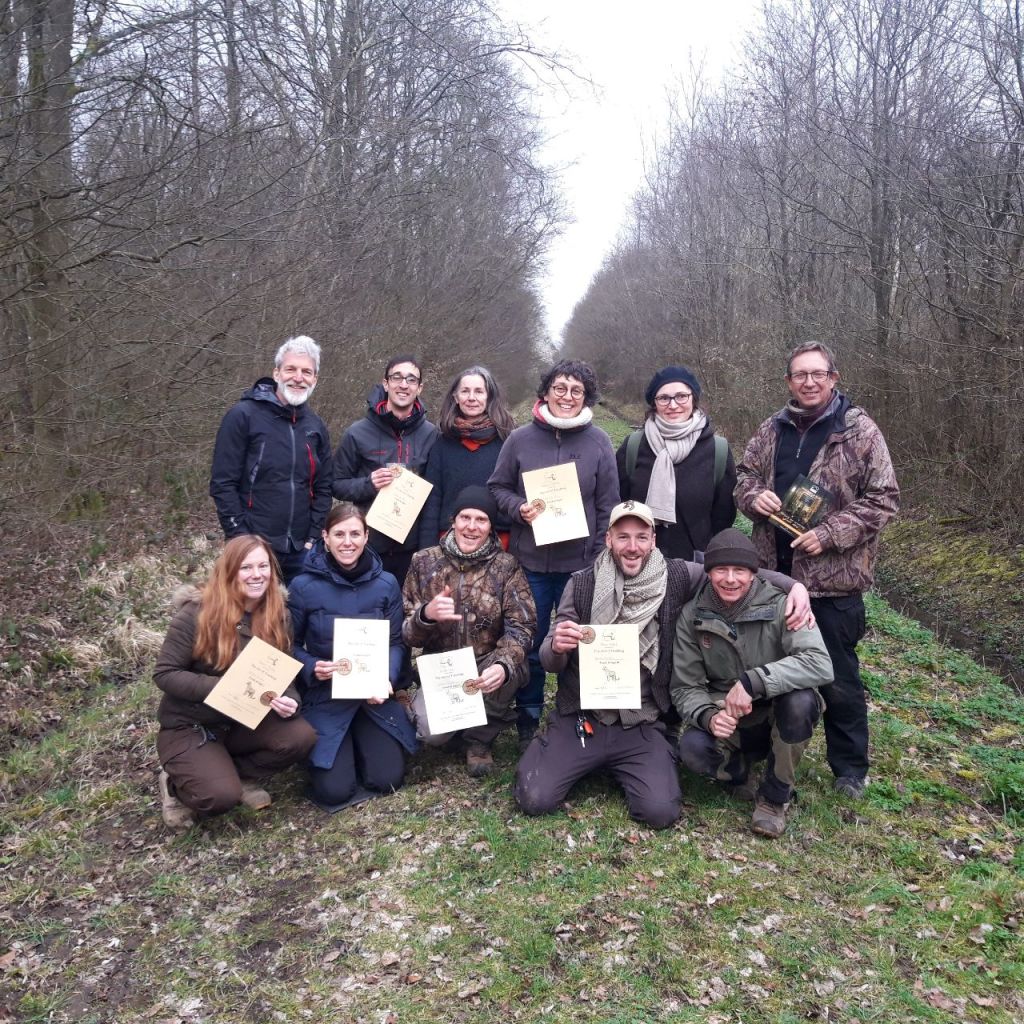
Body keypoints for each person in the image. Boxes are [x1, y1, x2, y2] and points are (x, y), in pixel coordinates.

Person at [514, 502, 814, 830]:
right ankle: (559, 750)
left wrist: (793, 586)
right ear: (608, 539)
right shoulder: (582, 583)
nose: (632, 546)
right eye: (623, 537)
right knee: (535, 798)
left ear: (653, 540)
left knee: (660, 813)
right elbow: (549, 661)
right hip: (585, 716)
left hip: (641, 720)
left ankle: (632, 761)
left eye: (641, 537)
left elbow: (729, 568)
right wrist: (557, 645)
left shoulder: (677, 575)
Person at [735, 341, 899, 799]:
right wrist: (753, 498)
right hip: (772, 578)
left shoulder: (859, 431)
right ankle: (764, 752)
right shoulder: (772, 429)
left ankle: (849, 769)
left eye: (817, 374)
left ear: (833, 378)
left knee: (838, 677)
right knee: (767, 668)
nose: (809, 382)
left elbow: (884, 499)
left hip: (832, 584)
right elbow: (744, 476)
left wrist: (830, 535)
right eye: (800, 374)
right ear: (789, 381)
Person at [488, 359, 619, 748]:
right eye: (559, 388)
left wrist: (597, 559)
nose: (567, 396)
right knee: (528, 640)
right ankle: (527, 718)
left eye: (576, 390)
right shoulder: (520, 439)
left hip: (578, 567)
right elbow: (497, 488)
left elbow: (607, 507)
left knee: (573, 643)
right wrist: (518, 509)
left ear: (586, 398)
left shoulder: (599, 443)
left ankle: (571, 713)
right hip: (529, 563)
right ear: (545, 392)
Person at [672, 529, 834, 837]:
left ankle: (774, 796)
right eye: (721, 570)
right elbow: (684, 686)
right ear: (709, 573)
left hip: (778, 707)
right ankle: (739, 773)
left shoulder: (783, 605)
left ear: (752, 574)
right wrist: (708, 715)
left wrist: (755, 681)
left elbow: (819, 662)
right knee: (692, 748)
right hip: (733, 716)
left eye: (740, 571)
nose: (730, 579)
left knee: (800, 702)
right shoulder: (692, 615)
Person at [154, 535, 317, 831]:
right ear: (229, 571)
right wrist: (222, 688)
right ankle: (175, 786)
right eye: (246, 567)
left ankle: (236, 774)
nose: (257, 575)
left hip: (244, 721)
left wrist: (290, 699)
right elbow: (165, 673)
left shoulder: (279, 614)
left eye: (263, 566)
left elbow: (284, 669)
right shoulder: (196, 614)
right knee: (218, 797)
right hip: (192, 725)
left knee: (300, 737)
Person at [288, 503, 416, 809]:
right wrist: (311, 667)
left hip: (372, 697)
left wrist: (385, 677)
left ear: (366, 536)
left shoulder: (385, 583)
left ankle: (362, 741)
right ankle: (340, 750)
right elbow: (287, 644)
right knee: (333, 791)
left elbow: (396, 641)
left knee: (388, 780)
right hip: (327, 695)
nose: (348, 542)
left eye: (355, 534)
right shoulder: (303, 586)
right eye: (339, 534)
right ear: (325, 537)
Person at [402, 486, 536, 775]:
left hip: (484, 663)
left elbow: (522, 626)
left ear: (490, 527)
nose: (472, 527)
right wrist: (425, 616)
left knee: (514, 668)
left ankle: (479, 740)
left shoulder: (506, 566)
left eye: (481, 519)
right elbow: (408, 635)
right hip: (443, 668)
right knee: (428, 734)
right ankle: (456, 726)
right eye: (465, 517)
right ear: (453, 520)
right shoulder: (423, 562)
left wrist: (503, 663)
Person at [209, 335, 332, 583]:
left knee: (294, 620)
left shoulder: (316, 427)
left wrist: (312, 537)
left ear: (315, 379)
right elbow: (222, 483)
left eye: (307, 372)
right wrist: (240, 536)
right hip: (253, 549)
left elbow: (323, 486)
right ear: (276, 373)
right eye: (291, 369)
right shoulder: (243, 416)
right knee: (250, 621)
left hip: (300, 553)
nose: (298, 377)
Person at [331, 355, 439, 586]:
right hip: (368, 546)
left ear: (419, 388)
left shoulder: (432, 435)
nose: (403, 384)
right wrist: (368, 484)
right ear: (385, 383)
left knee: (406, 616)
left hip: (411, 548)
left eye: (411, 379)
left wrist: (427, 547)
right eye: (397, 377)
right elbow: (336, 484)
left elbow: (435, 493)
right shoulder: (357, 433)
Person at [617, 365, 736, 560]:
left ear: (693, 399)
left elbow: (723, 516)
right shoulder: (633, 447)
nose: (673, 405)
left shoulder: (718, 450)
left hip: (695, 568)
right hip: (638, 561)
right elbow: (619, 504)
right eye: (664, 398)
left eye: (681, 396)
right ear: (654, 403)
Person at [417, 366, 517, 550]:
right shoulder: (441, 443)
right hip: (448, 542)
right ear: (455, 397)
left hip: (499, 542)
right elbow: (433, 499)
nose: (471, 398)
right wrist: (427, 550)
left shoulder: (509, 441)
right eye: (465, 391)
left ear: (490, 397)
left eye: (479, 391)